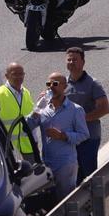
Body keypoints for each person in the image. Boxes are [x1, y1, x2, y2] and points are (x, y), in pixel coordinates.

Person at [27, 71, 89, 199]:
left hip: (65, 163)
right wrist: (37, 109)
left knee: (66, 199)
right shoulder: (43, 109)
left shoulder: (75, 110)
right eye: (48, 84)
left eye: (55, 84)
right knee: (50, 199)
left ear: (64, 86)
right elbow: (27, 127)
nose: (51, 87)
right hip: (47, 163)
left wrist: (63, 136)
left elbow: (84, 134)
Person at [64, 47, 109, 183]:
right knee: (74, 176)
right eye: (69, 60)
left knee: (89, 175)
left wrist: (81, 119)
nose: (71, 62)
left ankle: (95, 195)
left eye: (75, 60)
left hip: (89, 137)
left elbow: (104, 109)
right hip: (70, 138)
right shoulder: (63, 84)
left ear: (83, 62)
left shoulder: (93, 84)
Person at [0, 62, 37, 158]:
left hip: (29, 147)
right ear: (7, 76)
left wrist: (35, 140)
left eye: (21, 74)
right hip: (8, 150)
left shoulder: (26, 92)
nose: (19, 77)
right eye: (14, 74)